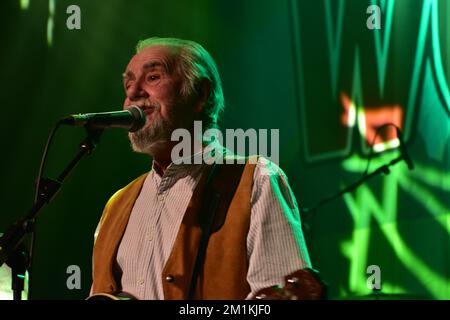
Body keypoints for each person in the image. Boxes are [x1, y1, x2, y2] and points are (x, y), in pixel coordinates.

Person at [90, 37, 316, 300]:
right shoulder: (116, 205)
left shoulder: (255, 180)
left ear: (201, 93)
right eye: (128, 82)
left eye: (153, 77)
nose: (133, 93)